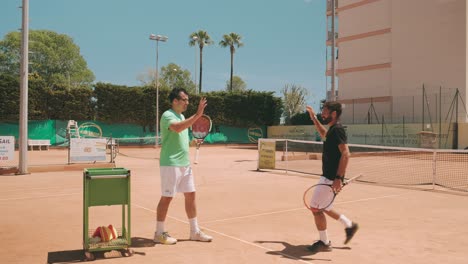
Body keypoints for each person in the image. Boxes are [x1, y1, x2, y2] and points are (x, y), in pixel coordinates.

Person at [154, 87, 213, 245]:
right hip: (170, 164)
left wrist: (194, 142)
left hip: (184, 164)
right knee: (167, 197)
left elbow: (183, 140)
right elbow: (178, 127)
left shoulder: (181, 116)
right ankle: (159, 233)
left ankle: (194, 231)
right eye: (184, 100)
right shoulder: (168, 115)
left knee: (191, 195)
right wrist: (198, 115)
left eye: (188, 100)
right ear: (175, 101)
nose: (187, 102)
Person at [305, 101, 358, 252]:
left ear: (334, 114)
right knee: (324, 206)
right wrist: (313, 117)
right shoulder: (333, 130)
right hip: (328, 176)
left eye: (325, 112)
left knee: (316, 208)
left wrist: (338, 178)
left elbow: (346, 153)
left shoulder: (338, 130)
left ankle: (324, 242)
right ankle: (349, 225)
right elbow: (323, 134)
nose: (323, 114)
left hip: (330, 178)